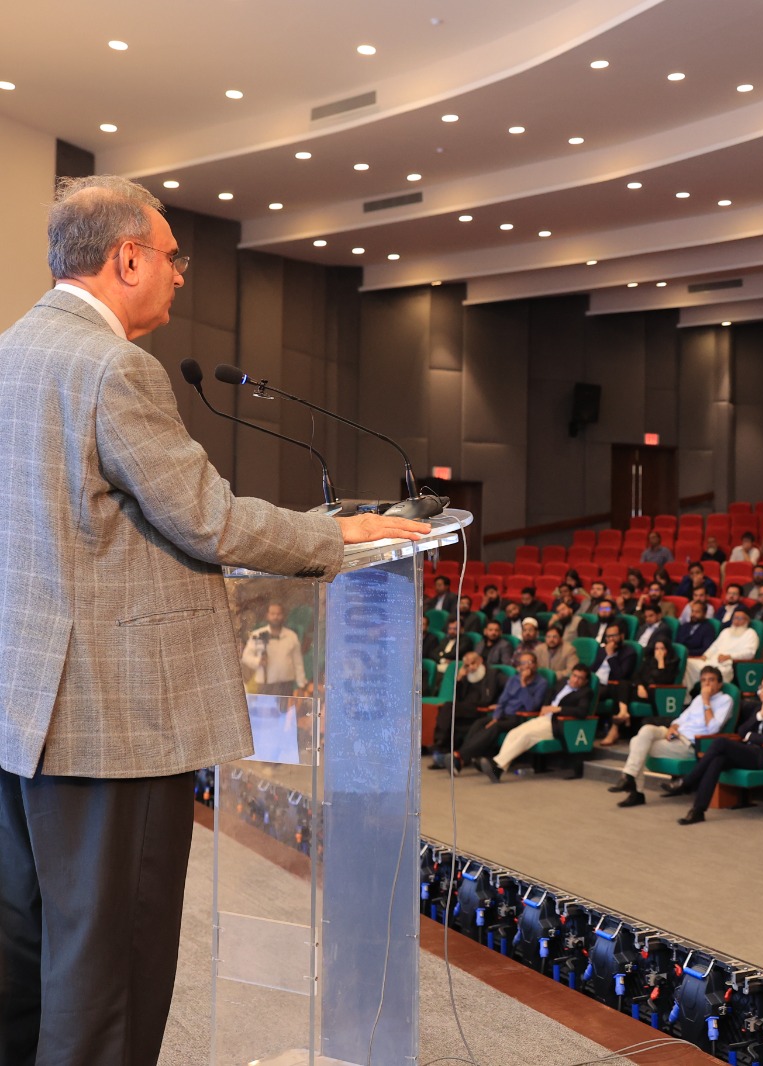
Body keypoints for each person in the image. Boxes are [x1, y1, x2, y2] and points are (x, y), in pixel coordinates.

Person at [0, 174, 435, 1066]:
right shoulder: (115, 367)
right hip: (117, 719)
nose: (180, 274)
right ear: (126, 258)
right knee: (110, 971)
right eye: (171, 256)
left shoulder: (12, 351)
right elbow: (209, 520)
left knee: (27, 953)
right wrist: (336, 534)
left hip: (21, 706)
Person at [665, 675, 763, 824]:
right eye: (761, 687)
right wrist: (759, 716)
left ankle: (688, 781)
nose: (762, 690)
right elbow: (741, 731)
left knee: (720, 742)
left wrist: (750, 736)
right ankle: (698, 810)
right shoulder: (759, 709)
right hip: (749, 751)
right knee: (717, 760)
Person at [612, 668, 735, 806]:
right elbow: (680, 719)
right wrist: (673, 727)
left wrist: (706, 701)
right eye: (703, 680)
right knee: (646, 730)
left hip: (690, 744)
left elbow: (713, 729)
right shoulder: (698, 699)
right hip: (675, 735)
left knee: (636, 742)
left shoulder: (725, 700)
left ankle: (634, 788)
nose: (706, 684)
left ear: (719, 684)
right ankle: (630, 779)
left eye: (711, 680)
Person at [474, 664, 594, 782]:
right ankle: (498, 770)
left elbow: (582, 711)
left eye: (580, 678)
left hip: (558, 724)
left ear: (585, 681)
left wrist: (559, 709)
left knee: (527, 736)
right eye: (574, 676)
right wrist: (544, 706)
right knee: (514, 732)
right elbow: (550, 694)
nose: (576, 680)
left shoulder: (586, 692)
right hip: (543, 718)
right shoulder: (563, 682)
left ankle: (495, 763)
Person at [456, 651, 551, 765]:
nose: (526, 666)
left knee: (495, 727)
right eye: (522, 663)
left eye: (529, 662)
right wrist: (496, 717)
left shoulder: (541, 683)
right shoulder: (513, 679)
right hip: (504, 714)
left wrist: (523, 684)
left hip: (519, 718)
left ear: (535, 665)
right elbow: (502, 701)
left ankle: (460, 756)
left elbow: (531, 707)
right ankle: (462, 758)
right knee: (480, 723)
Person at [241, 602, 309, 696]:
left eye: (278, 614)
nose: (275, 617)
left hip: (286, 686)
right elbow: (246, 657)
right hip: (264, 685)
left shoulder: (291, 636)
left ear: (283, 616)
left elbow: (298, 663)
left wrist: (301, 685)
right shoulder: (258, 635)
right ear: (267, 615)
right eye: (272, 614)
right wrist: (258, 661)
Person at [685, 605, 760, 684]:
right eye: (735, 618)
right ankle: (685, 690)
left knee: (706, 671)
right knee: (687, 663)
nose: (736, 621)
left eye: (740, 618)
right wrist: (706, 655)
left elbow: (750, 653)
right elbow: (714, 646)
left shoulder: (751, 634)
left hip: (726, 665)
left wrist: (729, 656)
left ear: (747, 620)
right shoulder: (726, 631)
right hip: (710, 661)